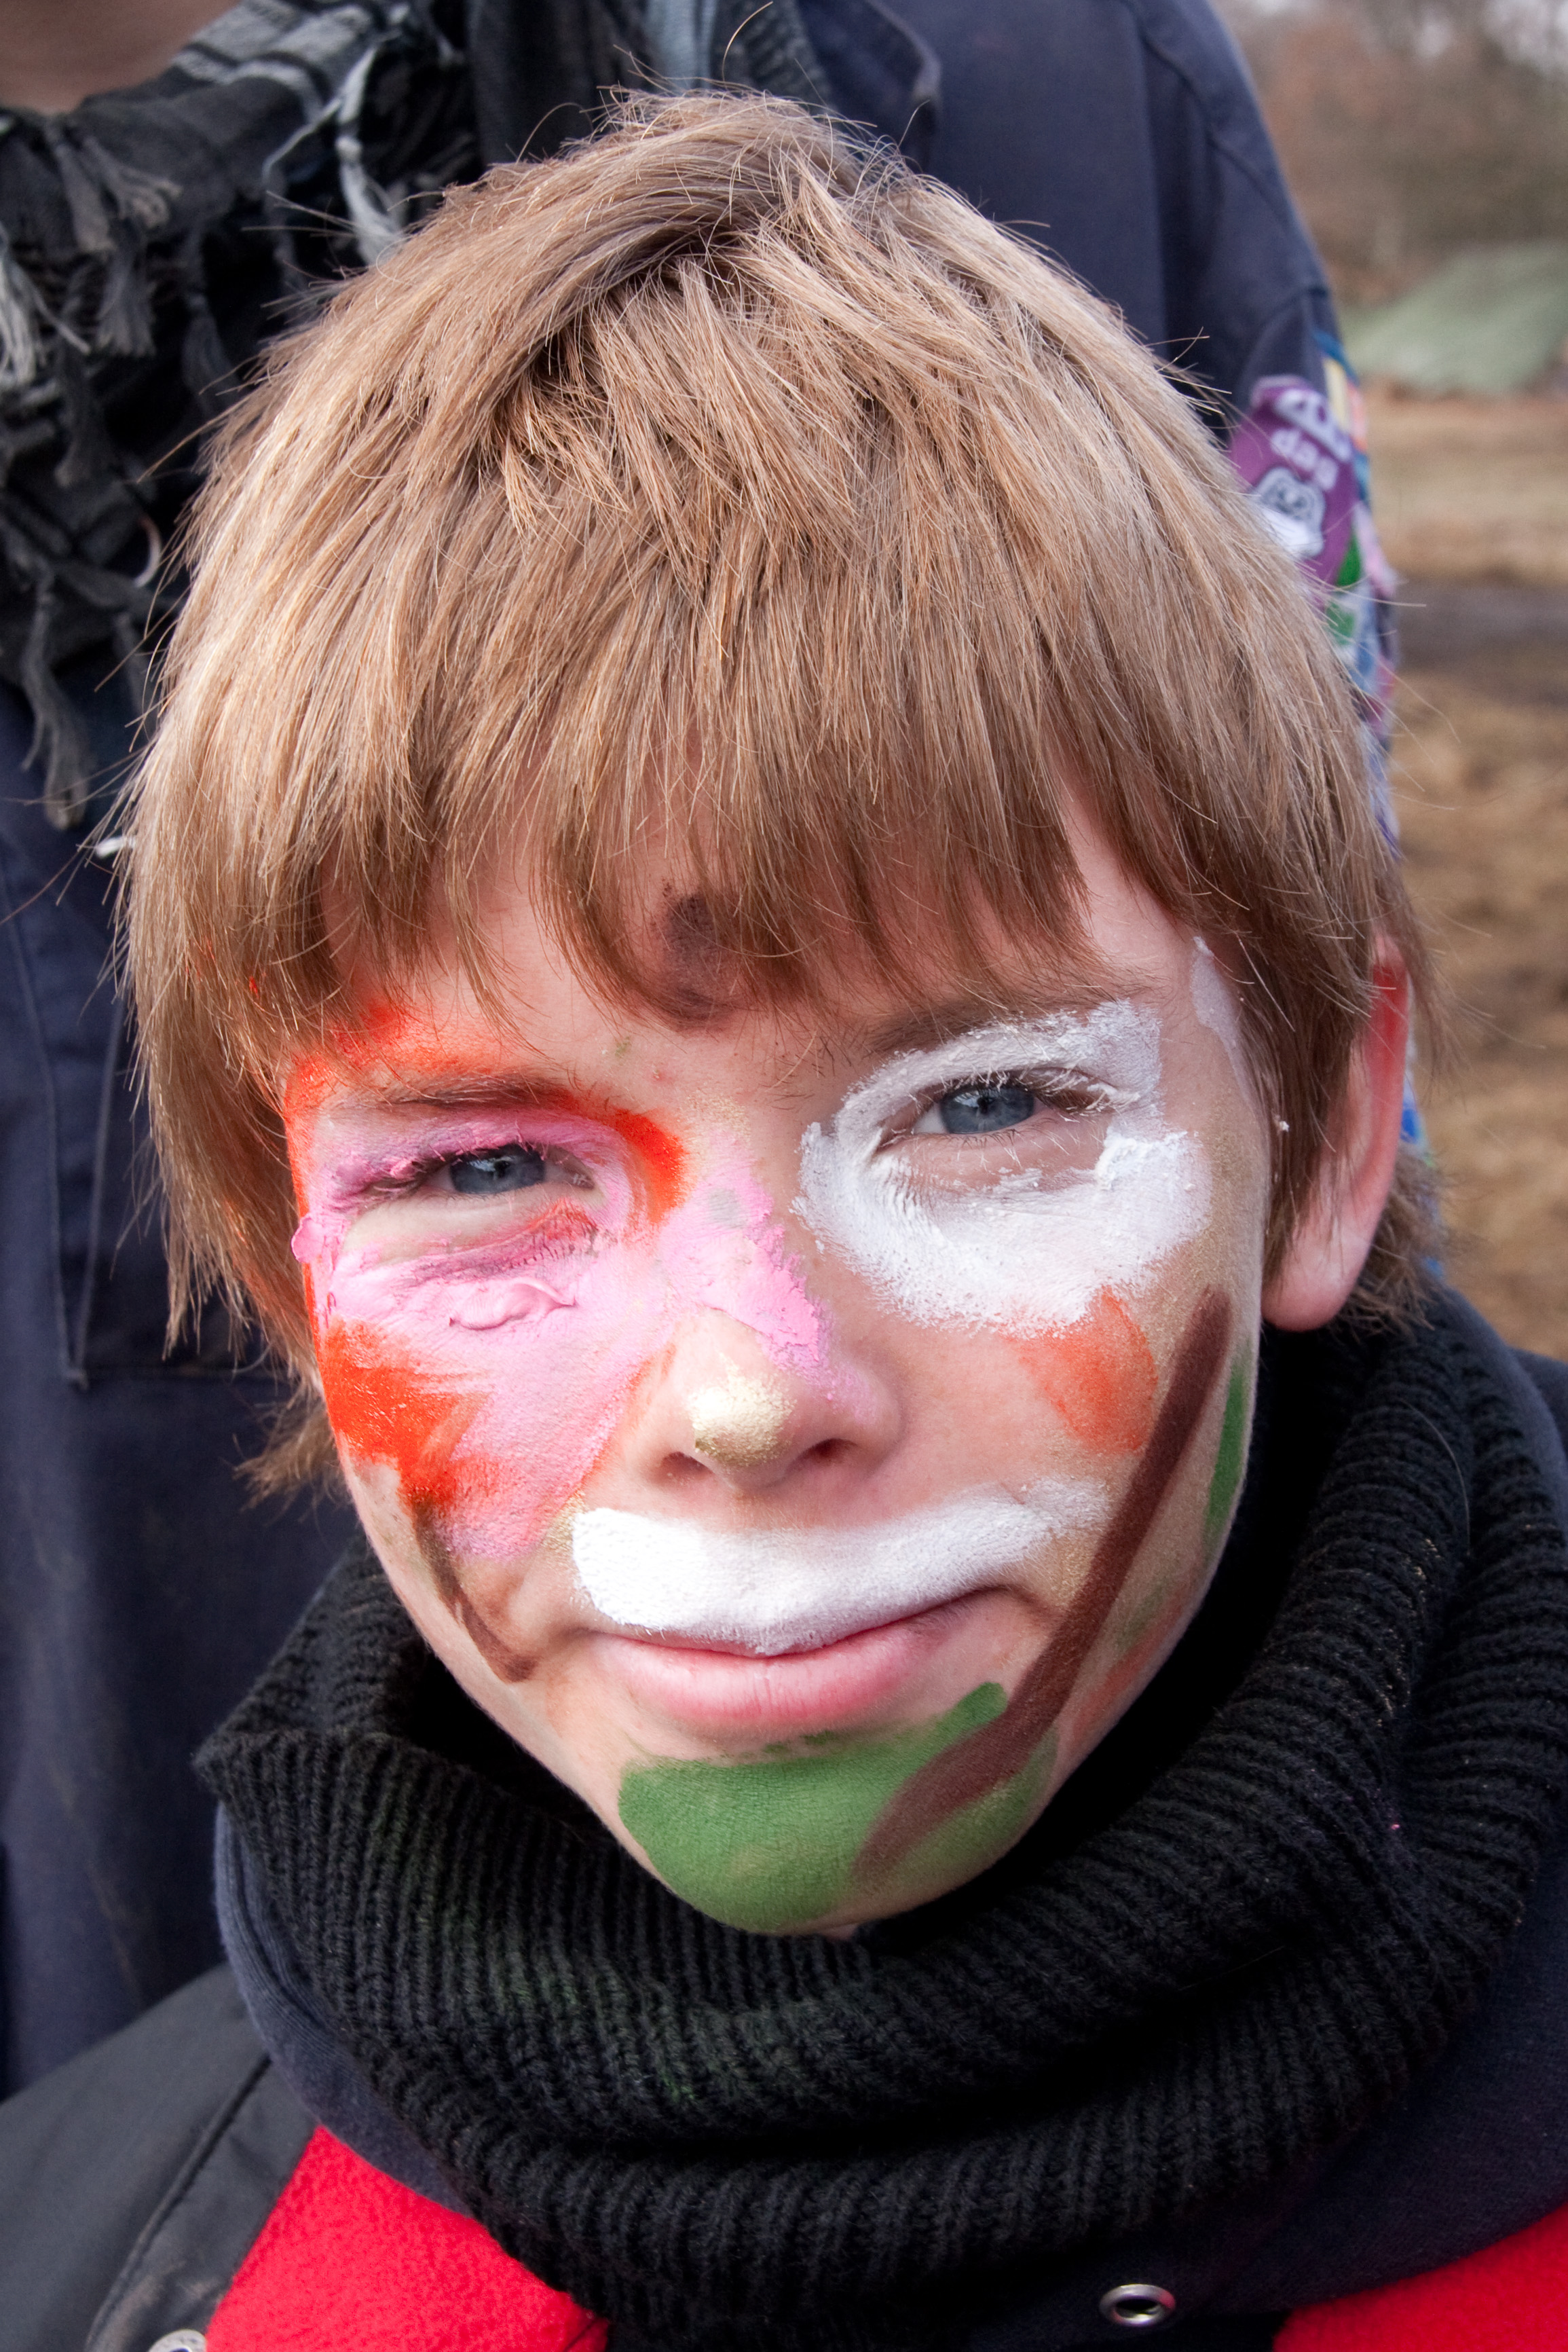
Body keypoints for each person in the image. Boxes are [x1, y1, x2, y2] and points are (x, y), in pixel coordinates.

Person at [4, 94, 1565, 2352]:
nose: (749, 1393)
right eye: (480, 1168)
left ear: (1327, 1132)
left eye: (990, 1108)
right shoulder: (105, 2262)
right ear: (279, 1252)